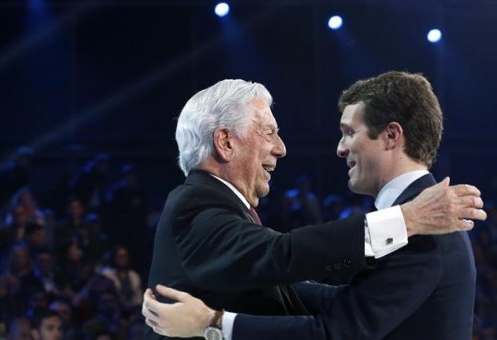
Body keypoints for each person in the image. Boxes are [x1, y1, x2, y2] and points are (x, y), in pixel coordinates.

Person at [142, 72, 482, 339]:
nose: (281, 148)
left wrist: (212, 324)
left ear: (392, 136)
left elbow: (340, 321)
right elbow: (282, 255)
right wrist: (405, 219)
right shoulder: (195, 204)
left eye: (349, 132)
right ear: (226, 142)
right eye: (269, 133)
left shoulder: (426, 227)